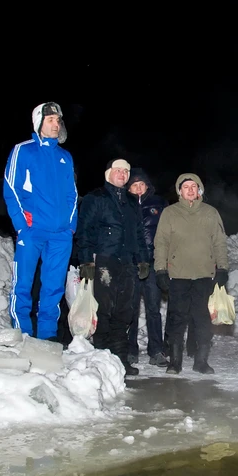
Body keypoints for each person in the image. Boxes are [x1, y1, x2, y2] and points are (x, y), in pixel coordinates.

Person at [3, 102, 78, 341]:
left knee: (53, 288)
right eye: (50, 120)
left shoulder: (64, 157)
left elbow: (72, 194)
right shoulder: (23, 151)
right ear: (38, 123)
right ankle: (22, 334)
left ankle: (47, 337)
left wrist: (70, 226)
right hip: (32, 231)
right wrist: (21, 224)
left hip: (60, 235)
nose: (56, 124)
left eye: (58, 120)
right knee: (23, 284)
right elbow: (11, 188)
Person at [74, 158, 148, 376]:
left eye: (126, 172)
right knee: (104, 310)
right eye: (118, 171)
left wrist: (143, 260)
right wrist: (86, 260)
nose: (123, 175)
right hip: (104, 260)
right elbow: (84, 231)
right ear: (109, 174)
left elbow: (138, 235)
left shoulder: (132, 203)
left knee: (124, 312)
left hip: (126, 262)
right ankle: (101, 359)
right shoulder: (95, 198)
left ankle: (119, 360)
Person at [154, 173, 228, 374]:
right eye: (185, 186)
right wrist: (160, 269)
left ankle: (201, 361)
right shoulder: (170, 213)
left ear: (199, 190)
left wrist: (222, 268)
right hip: (178, 276)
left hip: (205, 275)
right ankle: (175, 361)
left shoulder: (210, 213)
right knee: (177, 319)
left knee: (203, 319)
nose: (190, 190)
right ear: (179, 190)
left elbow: (219, 242)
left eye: (193, 186)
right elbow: (161, 243)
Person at [126, 168, 168, 367]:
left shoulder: (159, 203)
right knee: (131, 308)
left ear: (147, 185)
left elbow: (168, 233)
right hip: (132, 263)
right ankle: (130, 350)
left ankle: (156, 351)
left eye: (141, 184)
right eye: (134, 184)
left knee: (153, 308)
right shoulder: (123, 203)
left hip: (152, 263)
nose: (138, 188)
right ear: (129, 187)